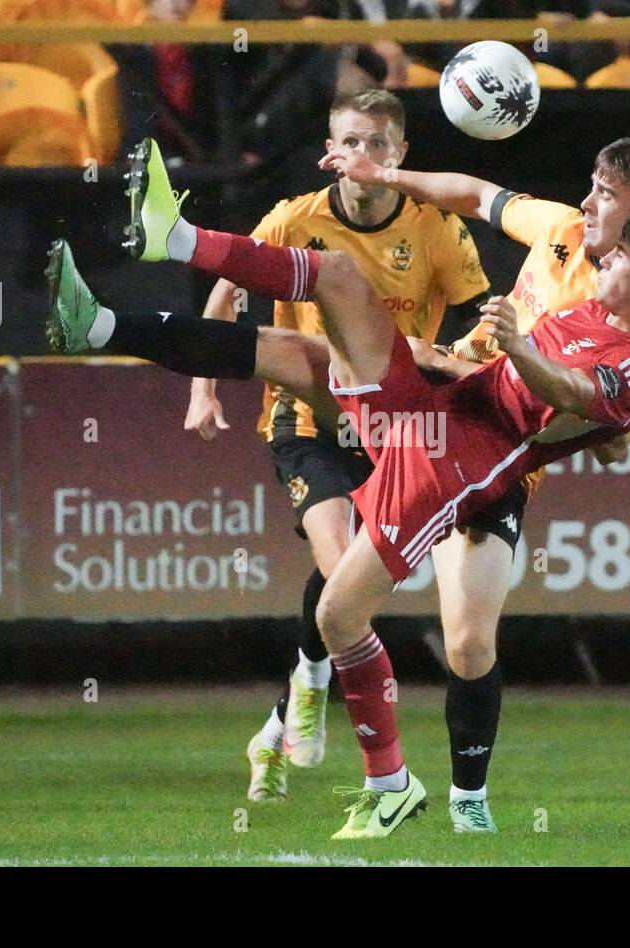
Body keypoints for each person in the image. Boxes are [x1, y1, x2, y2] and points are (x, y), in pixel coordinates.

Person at [43, 144, 630, 838]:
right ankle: (142, 273)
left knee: (418, 633)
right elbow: (476, 194)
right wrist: (392, 191)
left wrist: (521, 355)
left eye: (606, 195)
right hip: (437, 406)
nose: (588, 206)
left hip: (458, 468)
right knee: (331, 287)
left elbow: (590, 404)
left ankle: (419, 788)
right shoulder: (571, 247)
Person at [176, 89, 495, 813]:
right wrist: (203, 390)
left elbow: (482, 323)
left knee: (350, 584)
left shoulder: (436, 230)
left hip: (394, 429)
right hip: (308, 415)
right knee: (337, 558)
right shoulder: (295, 219)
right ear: (330, 149)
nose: (362, 155)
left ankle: (277, 721)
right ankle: (318, 692)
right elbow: (226, 296)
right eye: (349, 141)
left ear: (400, 154)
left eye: (377, 143)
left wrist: (442, 356)